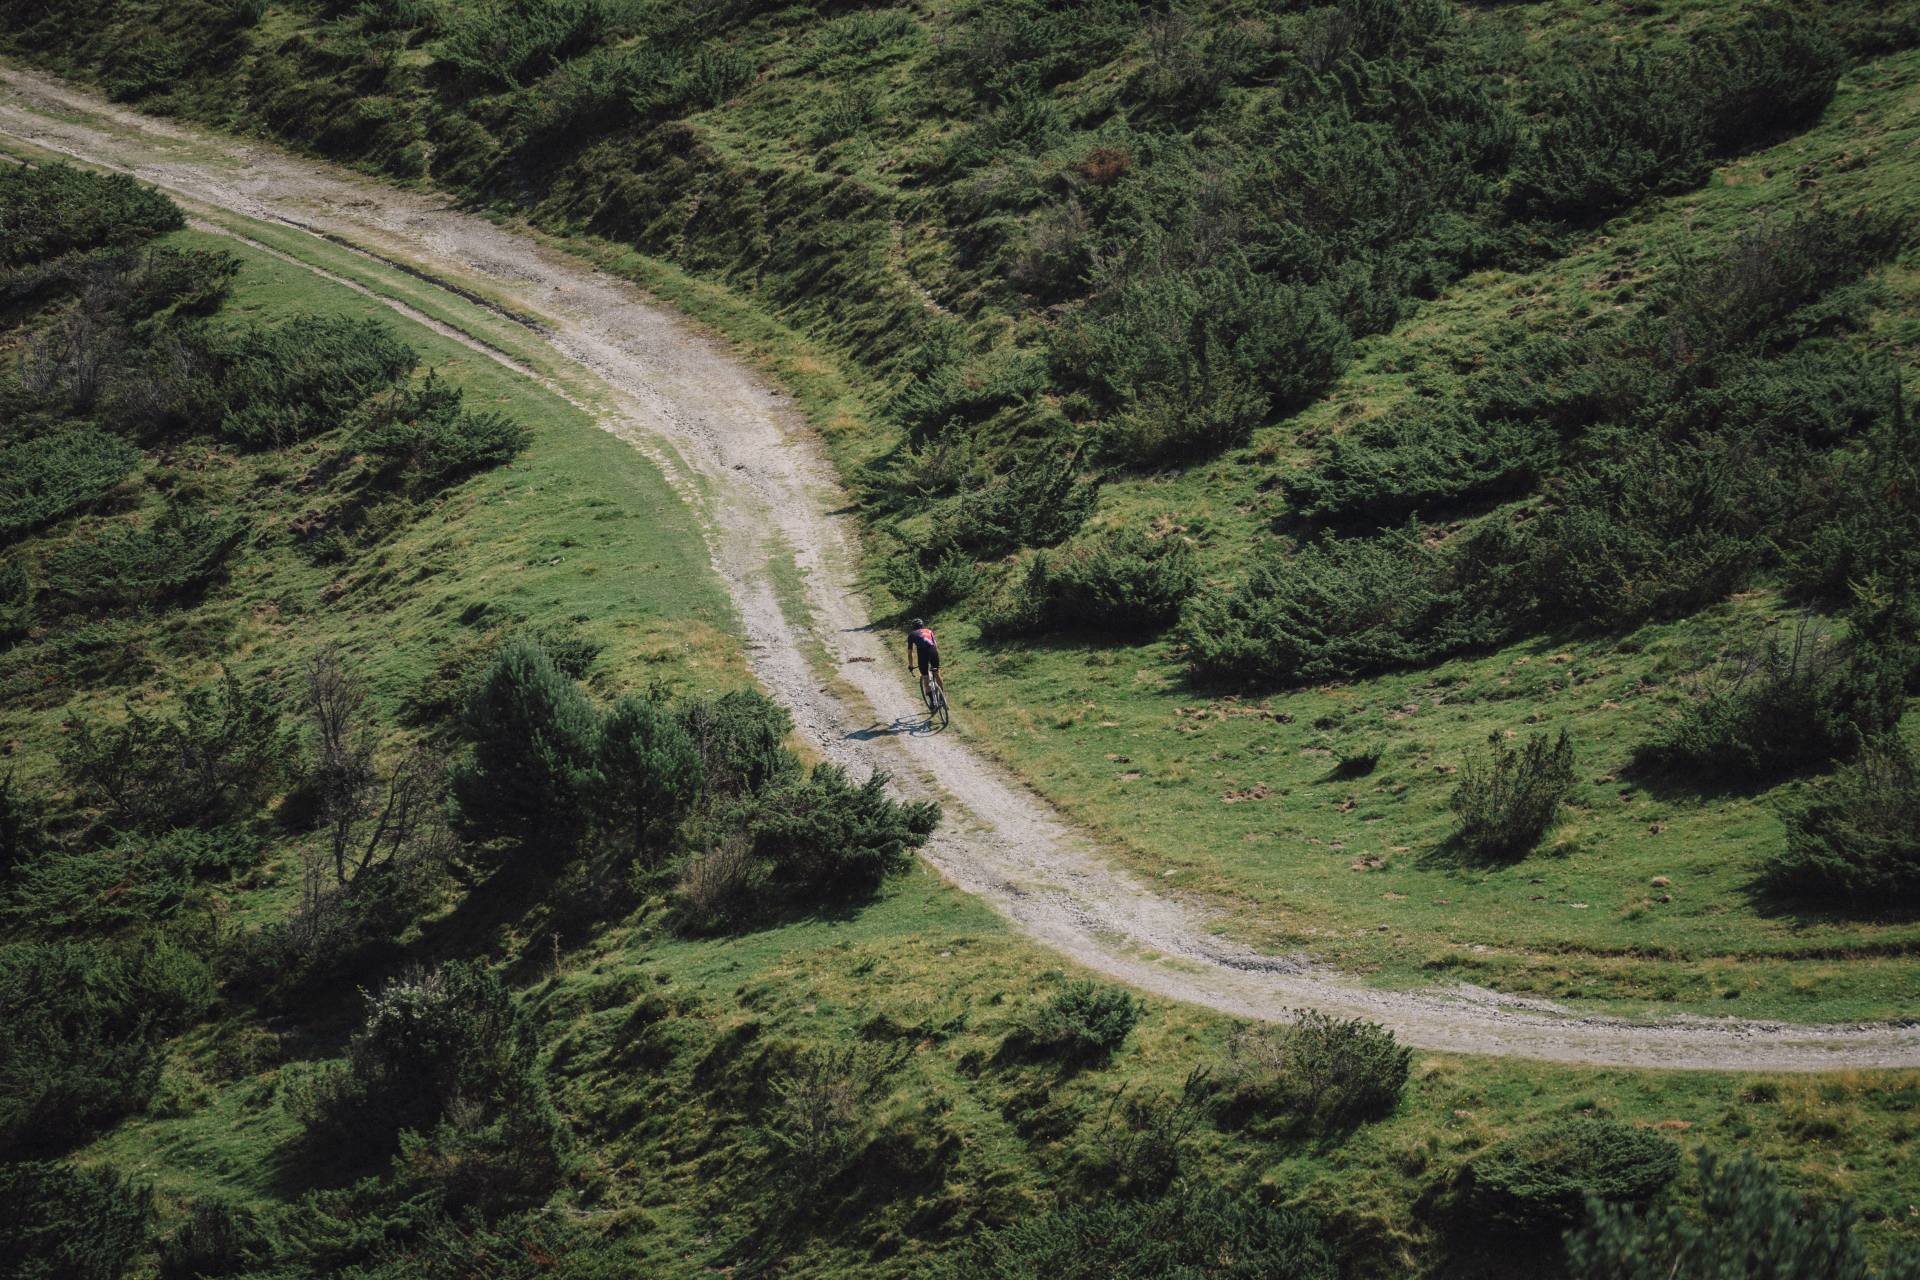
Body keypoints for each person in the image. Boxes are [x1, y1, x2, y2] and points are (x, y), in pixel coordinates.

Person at [905, 617, 942, 706]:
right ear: (922, 625)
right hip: (933, 652)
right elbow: (935, 647)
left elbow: (910, 653)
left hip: (923, 654)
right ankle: (941, 697)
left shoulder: (911, 635)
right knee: (936, 673)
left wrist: (911, 665)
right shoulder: (929, 631)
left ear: (913, 627)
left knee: (925, 677)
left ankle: (932, 702)